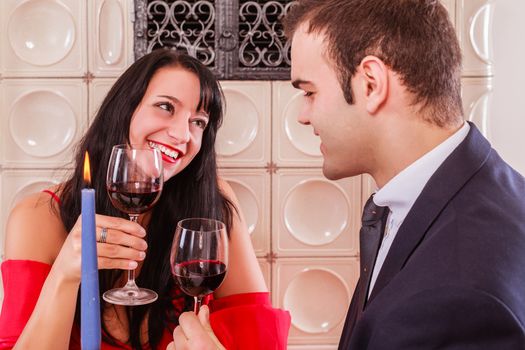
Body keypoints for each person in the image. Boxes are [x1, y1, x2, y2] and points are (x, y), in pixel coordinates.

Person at [0, 49, 290, 349]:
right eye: (166, 106)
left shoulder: (213, 201)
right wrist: (65, 274)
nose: (182, 134)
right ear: (123, 109)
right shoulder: (38, 217)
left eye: (199, 122)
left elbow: (259, 339)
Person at [281, 0, 525, 349]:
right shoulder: (471, 189)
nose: (303, 115)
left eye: (309, 92)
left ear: (371, 83)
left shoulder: (463, 293)